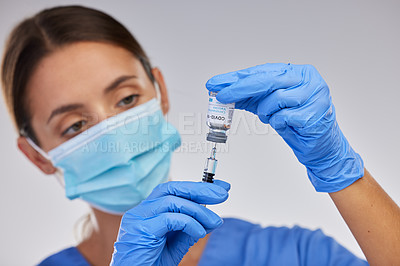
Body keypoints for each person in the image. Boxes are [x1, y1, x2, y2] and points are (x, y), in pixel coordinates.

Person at [1, 5, 399, 266]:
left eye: (126, 99)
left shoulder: (288, 254)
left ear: (160, 91)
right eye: (75, 125)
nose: (115, 136)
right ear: (38, 156)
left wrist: (342, 172)